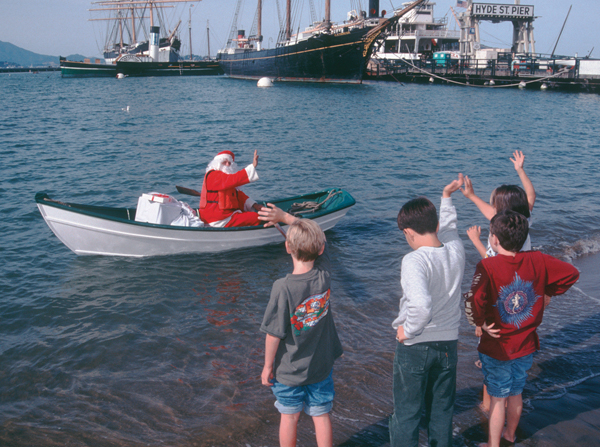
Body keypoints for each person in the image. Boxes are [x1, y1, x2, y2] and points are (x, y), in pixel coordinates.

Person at [464, 210, 579, 447]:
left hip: (497, 347)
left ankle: (493, 444)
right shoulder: (539, 259)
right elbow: (571, 273)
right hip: (526, 344)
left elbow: (474, 299)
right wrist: (548, 292)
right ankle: (510, 435)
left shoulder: (487, 266)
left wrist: (480, 322)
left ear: (494, 239)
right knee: (516, 393)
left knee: (498, 399)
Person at [389, 174, 466, 447]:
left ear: (408, 233)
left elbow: (421, 306)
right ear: (435, 225)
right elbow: (450, 226)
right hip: (448, 344)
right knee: (441, 412)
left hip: (416, 346)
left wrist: (406, 330)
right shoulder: (456, 249)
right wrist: (447, 197)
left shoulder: (414, 260)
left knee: (407, 415)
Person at [258, 204, 343, 447]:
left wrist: (267, 367)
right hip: (321, 365)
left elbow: (274, 334)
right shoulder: (324, 275)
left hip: (289, 371)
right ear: (321, 250)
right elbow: (321, 237)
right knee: (321, 414)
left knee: (289, 416)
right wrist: (286, 217)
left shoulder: (282, 287)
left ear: (287, 247)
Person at [464, 150, 536, 258]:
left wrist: (476, 240)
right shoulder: (524, 219)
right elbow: (531, 195)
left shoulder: (501, 232)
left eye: (494, 205)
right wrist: (520, 170)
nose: (492, 207)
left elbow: (488, 258)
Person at [199, 150, 263, 227]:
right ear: (217, 163)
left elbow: (239, 196)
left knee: (252, 214)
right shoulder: (213, 175)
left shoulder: (226, 179)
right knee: (256, 217)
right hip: (217, 220)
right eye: (224, 162)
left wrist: (255, 205)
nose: (227, 165)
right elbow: (235, 179)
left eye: (229, 163)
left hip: (225, 216)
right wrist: (253, 166)